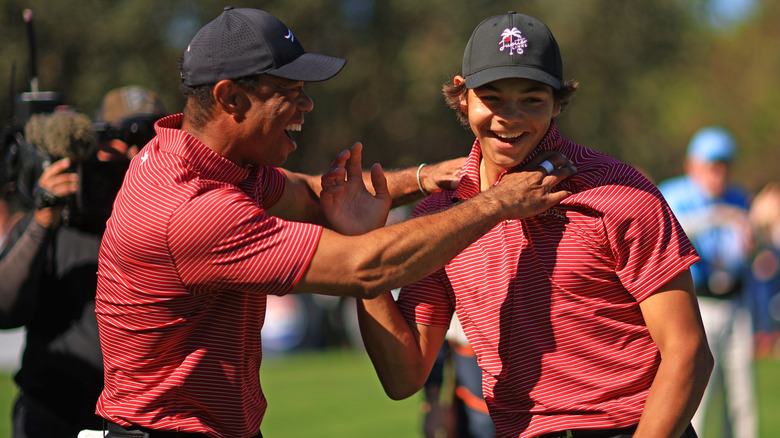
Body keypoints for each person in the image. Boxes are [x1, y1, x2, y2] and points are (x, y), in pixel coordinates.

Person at [93, 7, 576, 438]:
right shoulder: (193, 209)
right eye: (290, 93)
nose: (307, 106)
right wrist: (496, 203)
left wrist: (426, 178)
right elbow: (365, 268)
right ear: (230, 98)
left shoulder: (205, 159)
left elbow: (315, 195)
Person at [355, 12, 713, 438]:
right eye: (492, 97)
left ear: (558, 101)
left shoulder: (619, 192)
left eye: (531, 99)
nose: (510, 117)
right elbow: (405, 376)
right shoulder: (441, 214)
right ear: (462, 95)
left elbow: (688, 349)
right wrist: (363, 249)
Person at [0, 86, 166, 438]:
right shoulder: (60, 213)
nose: (137, 151)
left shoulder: (171, 213)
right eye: (121, 136)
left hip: (136, 425)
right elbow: (4, 308)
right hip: (51, 417)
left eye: (151, 135)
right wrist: (44, 216)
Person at [658, 126, 758, 438]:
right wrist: (716, 216)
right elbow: (672, 236)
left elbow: (744, 253)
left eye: (723, 165)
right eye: (711, 165)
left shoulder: (739, 197)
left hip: (735, 303)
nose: (718, 173)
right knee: (695, 395)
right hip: (695, 303)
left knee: (742, 400)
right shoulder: (674, 193)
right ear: (693, 165)